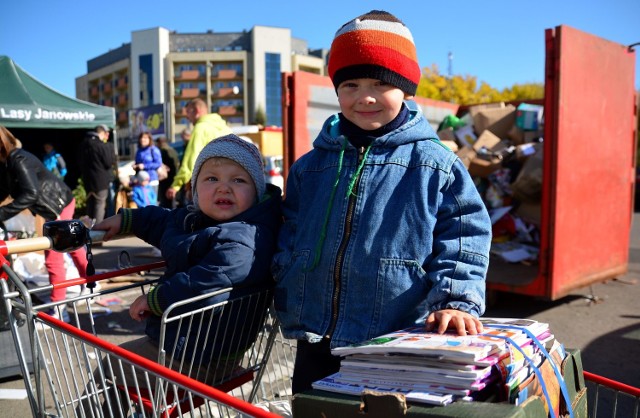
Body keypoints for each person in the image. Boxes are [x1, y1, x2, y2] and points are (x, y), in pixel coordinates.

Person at [271, 10, 493, 394]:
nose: (365, 97)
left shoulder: (434, 164)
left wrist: (456, 300)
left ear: (407, 89)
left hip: (397, 340)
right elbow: (290, 228)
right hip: (317, 336)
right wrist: (287, 273)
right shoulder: (310, 168)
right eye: (351, 84)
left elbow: (464, 234)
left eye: (380, 82)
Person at [85, 134, 282, 414]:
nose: (223, 188)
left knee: (111, 367)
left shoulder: (244, 239)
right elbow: (165, 221)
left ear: (257, 191)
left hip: (201, 356)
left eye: (238, 180)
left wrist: (157, 300)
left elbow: (206, 283)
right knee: (127, 372)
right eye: (211, 179)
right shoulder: (198, 220)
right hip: (197, 346)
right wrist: (128, 220)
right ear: (194, 189)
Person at [0, 126, 88, 321]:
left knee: (53, 257)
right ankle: (91, 283)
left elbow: (31, 193)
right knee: (72, 246)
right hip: (58, 203)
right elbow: (6, 190)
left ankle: (59, 312)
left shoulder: (18, 159)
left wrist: (2, 214)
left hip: (57, 205)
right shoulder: (11, 161)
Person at [165, 98, 232, 204]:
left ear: (196, 111)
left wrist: (176, 185)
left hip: (209, 184)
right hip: (228, 182)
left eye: (188, 112)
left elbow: (191, 161)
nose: (187, 117)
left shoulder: (200, 128)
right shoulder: (225, 128)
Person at [80, 124, 116, 225]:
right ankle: (97, 234)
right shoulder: (101, 145)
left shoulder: (83, 144)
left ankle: (88, 232)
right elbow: (108, 163)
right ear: (102, 133)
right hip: (101, 181)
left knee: (90, 206)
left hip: (88, 181)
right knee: (99, 206)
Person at [133, 131, 163, 201]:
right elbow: (137, 163)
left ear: (149, 139)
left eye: (145, 138)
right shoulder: (139, 151)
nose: (142, 139)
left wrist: (144, 166)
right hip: (141, 180)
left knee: (152, 202)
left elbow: (158, 163)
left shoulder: (154, 150)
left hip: (151, 179)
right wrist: (136, 166)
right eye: (141, 138)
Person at [155, 136, 180, 208]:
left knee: (165, 203)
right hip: (174, 179)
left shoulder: (162, 152)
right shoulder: (173, 150)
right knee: (172, 201)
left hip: (165, 180)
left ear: (159, 143)